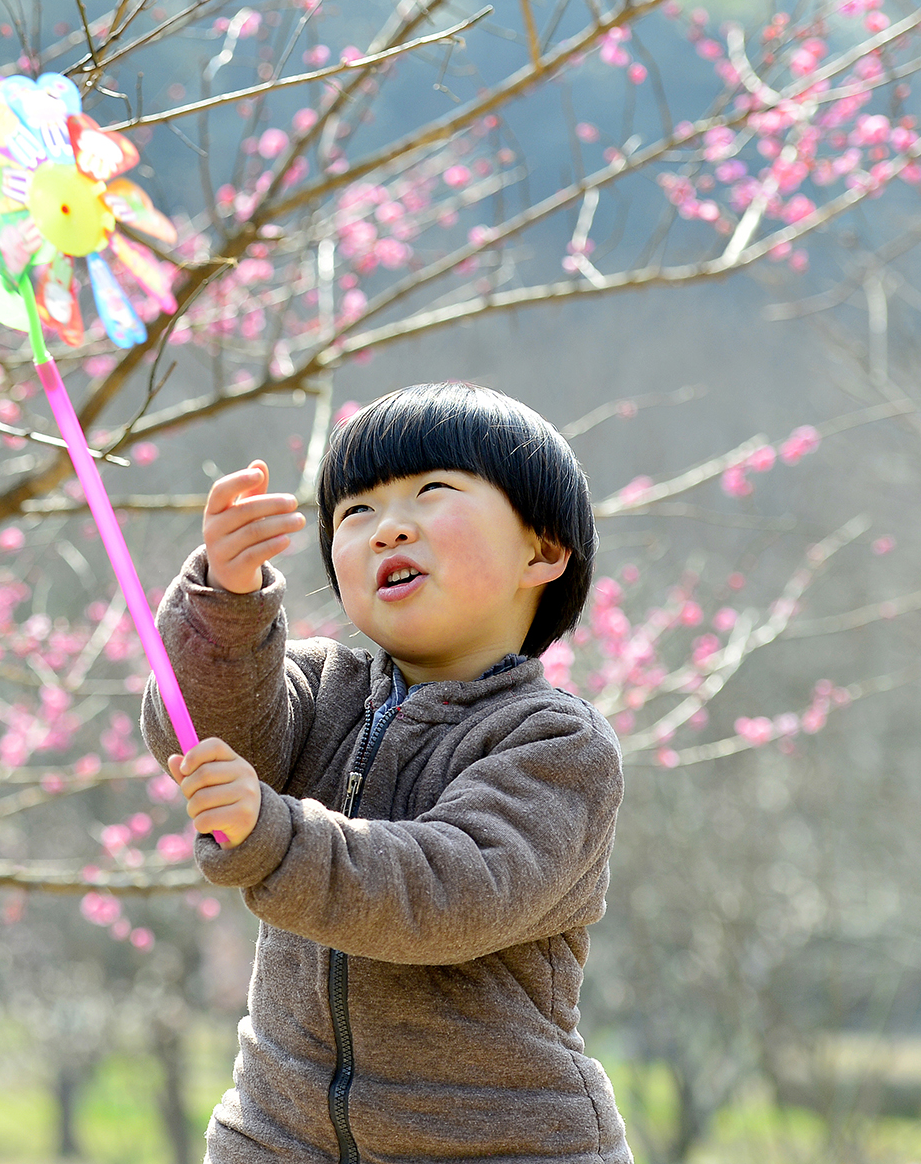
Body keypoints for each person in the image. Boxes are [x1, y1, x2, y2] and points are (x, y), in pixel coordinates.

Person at [144, 381, 631, 1163]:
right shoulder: (321, 690)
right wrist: (227, 605)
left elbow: (447, 896)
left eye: (432, 491)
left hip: (500, 1145)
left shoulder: (556, 743)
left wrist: (275, 835)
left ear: (541, 551)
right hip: (278, 1135)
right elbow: (197, 727)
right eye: (356, 513)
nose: (386, 528)